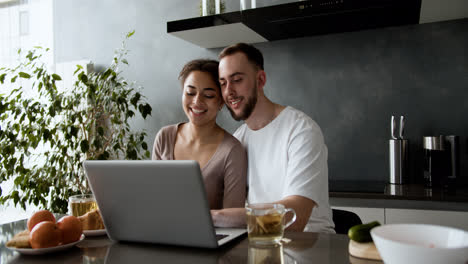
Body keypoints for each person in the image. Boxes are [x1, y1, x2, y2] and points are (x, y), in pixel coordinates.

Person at [211, 43, 335, 233]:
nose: (229, 91)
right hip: (261, 243)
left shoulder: (301, 130)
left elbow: (294, 217)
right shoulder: (238, 139)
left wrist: (216, 217)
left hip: (309, 245)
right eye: (223, 83)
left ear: (260, 80)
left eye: (236, 80)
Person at [152, 59, 247, 210]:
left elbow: (233, 215)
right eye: (190, 92)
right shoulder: (165, 136)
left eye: (208, 95)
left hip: (210, 233)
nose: (197, 101)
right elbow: (153, 197)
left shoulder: (232, 151)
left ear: (221, 102)